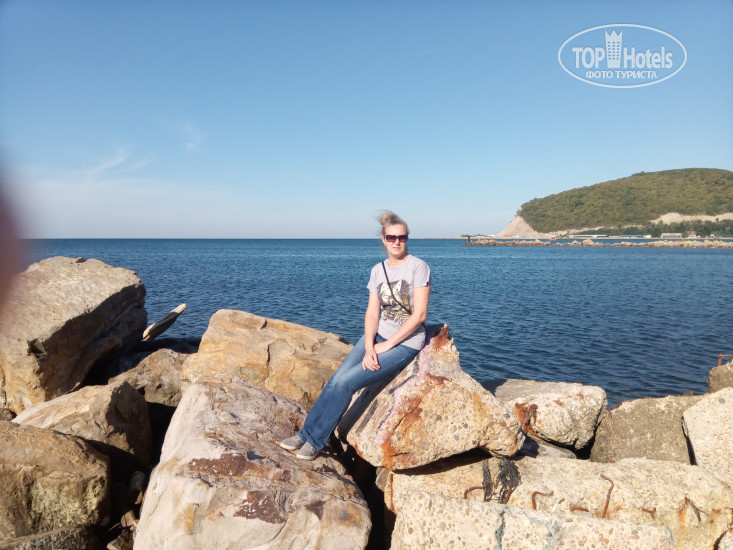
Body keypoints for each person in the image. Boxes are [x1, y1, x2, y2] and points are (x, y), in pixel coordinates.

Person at [280, 211, 431, 460]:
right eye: (391, 237)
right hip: (378, 336)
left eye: (402, 237)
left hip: (405, 343)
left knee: (346, 384)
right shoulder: (378, 270)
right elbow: (372, 312)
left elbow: (420, 315)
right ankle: (305, 434)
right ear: (383, 239)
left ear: (407, 239)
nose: (397, 242)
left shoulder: (418, 267)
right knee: (336, 380)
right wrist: (370, 345)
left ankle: (316, 441)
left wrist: (387, 346)